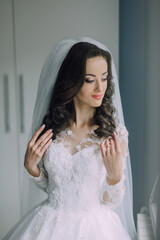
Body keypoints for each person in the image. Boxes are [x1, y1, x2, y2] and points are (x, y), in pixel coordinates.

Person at [2, 37, 137, 240]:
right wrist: (34, 170)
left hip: (95, 228)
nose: (100, 88)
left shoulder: (113, 133)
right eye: (90, 80)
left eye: (105, 78)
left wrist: (115, 176)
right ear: (71, 82)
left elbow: (110, 202)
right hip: (49, 224)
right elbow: (54, 187)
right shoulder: (52, 127)